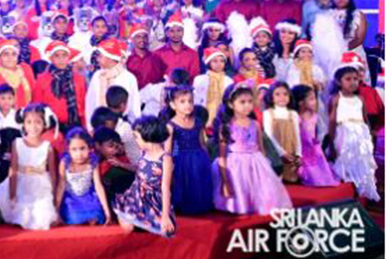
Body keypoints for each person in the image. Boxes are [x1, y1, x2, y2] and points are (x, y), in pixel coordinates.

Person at [211, 85, 292, 215]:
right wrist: (225, 182)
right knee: (240, 187)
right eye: (242, 102)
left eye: (250, 102)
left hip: (256, 161)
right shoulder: (226, 126)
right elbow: (222, 156)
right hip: (236, 164)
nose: (247, 106)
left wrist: (266, 167)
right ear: (231, 104)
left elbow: (261, 148)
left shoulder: (255, 124)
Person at [0, 104, 59, 230]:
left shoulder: (48, 147)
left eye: (38, 122)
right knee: (20, 215)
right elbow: (13, 170)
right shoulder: (17, 143)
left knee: (42, 217)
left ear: (44, 124)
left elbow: (53, 174)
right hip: (20, 184)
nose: (33, 126)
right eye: (29, 122)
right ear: (23, 124)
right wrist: (12, 195)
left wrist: (54, 196)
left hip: (40, 187)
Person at [112, 116, 176, 238]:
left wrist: (165, 216)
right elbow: (140, 169)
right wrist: (122, 165)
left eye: (136, 137)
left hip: (154, 201)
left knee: (165, 231)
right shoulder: (143, 152)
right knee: (128, 228)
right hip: (135, 196)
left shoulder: (165, 159)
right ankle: (128, 217)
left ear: (147, 135)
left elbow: (165, 188)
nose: (135, 141)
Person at [327, 66, 379, 201]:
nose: (353, 82)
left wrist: (370, 137)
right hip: (344, 134)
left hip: (360, 134)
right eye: (348, 79)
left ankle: (360, 193)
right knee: (346, 163)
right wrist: (331, 143)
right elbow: (332, 122)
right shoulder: (336, 99)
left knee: (361, 163)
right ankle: (346, 194)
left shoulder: (360, 99)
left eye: (356, 79)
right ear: (339, 82)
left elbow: (365, 118)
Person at [163, 85, 213, 214]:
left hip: (199, 157)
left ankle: (201, 206)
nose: (188, 105)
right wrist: (169, 166)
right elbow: (168, 150)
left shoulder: (198, 122)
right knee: (185, 184)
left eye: (190, 101)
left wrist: (207, 160)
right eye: (182, 102)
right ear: (173, 105)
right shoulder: (170, 125)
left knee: (199, 183)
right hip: (181, 159)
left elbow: (202, 142)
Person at [55, 127, 110, 225]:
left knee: (95, 218)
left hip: (89, 198)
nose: (79, 154)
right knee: (75, 219)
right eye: (74, 150)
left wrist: (107, 211)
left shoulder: (93, 162)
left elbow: (98, 186)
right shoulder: (65, 163)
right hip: (71, 199)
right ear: (68, 150)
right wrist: (56, 211)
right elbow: (60, 186)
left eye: (82, 148)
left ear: (89, 148)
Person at [34, 41, 87, 140]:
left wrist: (85, 126)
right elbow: (38, 106)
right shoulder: (42, 79)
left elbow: (83, 104)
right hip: (51, 126)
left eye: (64, 55)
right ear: (51, 58)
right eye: (57, 56)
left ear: (68, 57)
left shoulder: (79, 79)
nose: (61, 59)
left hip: (74, 124)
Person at [291, 85, 339, 187]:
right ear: (300, 102)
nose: (315, 102)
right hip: (302, 149)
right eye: (311, 99)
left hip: (313, 147)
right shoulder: (297, 118)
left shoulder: (314, 116)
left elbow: (317, 132)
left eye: (315, 98)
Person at [85, 38, 140, 124]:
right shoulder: (97, 76)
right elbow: (89, 104)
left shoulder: (128, 78)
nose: (97, 59)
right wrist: (90, 127)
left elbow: (134, 107)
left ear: (110, 58)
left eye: (100, 56)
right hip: (98, 127)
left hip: (122, 127)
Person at [262, 82, 302, 183]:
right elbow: (269, 136)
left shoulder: (293, 114)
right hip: (275, 151)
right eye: (277, 94)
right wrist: (281, 153)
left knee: (292, 179)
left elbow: (297, 135)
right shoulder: (268, 113)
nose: (282, 97)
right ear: (271, 97)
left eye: (285, 94)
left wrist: (298, 153)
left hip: (290, 149)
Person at [0, 39, 35, 108]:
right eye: (6, 54)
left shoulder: (25, 71)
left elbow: (35, 94)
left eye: (13, 54)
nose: (10, 57)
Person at [155, 15, 201, 79]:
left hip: (187, 88)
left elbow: (194, 77)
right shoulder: (158, 54)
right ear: (167, 33)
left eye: (179, 31)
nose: (176, 34)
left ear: (183, 32)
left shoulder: (192, 54)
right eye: (172, 31)